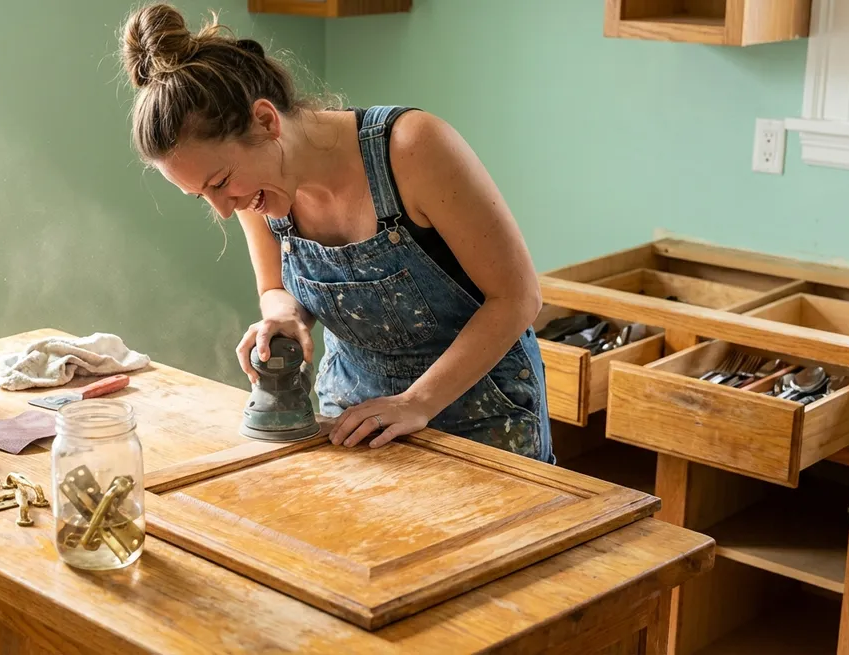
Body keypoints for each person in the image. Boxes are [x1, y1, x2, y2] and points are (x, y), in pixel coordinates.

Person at [119, 3, 554, 463]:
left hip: (482, 420)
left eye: (220, 183)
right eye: (201, 196)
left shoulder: (413, 149)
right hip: (352, 422)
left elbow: (518, 298)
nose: (224, 210)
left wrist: (417, 402)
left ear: (266, 122)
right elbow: (274, 288)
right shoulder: (256, 192)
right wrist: (283, 316)